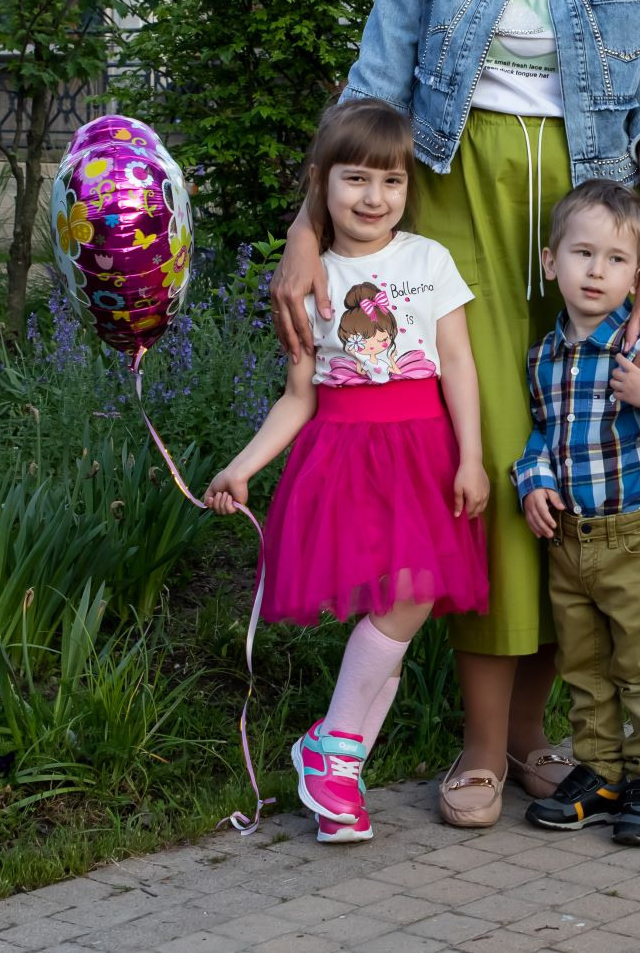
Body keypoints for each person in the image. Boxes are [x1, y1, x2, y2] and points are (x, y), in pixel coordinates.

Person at [269, 0, 640, 827]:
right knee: (490, 461)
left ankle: (532, 736)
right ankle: (479, 745)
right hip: (454, 202)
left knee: (574, 455)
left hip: (588, 225)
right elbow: (372, 91)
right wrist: (306, 233)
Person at [205, 100, 491, 843]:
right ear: (321, 183)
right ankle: (336, 762)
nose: (374, 197)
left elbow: (458, 363)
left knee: (410, 599)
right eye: (355, 178)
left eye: (391, 181)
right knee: (397, 604)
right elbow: (298, 396)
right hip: (347, 460)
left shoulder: (428, 261)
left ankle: (333, 756)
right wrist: (241, 467)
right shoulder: (313, 276)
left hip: (425, 456)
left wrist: (471, 455)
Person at [513, 180, 640, 846]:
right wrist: (534, 480)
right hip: (569, 540)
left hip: (636, 538)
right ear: (551, 262)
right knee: (585, 667)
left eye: (616, 259)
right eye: (583, 254)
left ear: (637, 273)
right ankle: (599, 773)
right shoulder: (544, 357)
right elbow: (543, 433)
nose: (597, 271)